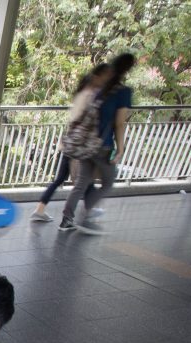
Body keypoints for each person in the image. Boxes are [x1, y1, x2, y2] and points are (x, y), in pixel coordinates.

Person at [58, 53, 135, 233]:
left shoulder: (99, 90)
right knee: (108, 182)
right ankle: (86, 215)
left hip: (86, 143)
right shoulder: (123, 92)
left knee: (81, 183)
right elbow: (119, 123)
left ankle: (66, 219)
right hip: (103, 144)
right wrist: (120, 149)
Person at [30, 63, 110, 223]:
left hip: (69, 144)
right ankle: (83, 211)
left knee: (63, 179)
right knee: (83, 180)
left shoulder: (80, 97)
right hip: (78, 147)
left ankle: (40, 209)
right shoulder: (89, 99)